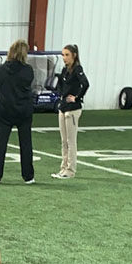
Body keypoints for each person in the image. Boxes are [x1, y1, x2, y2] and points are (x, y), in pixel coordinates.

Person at [0, 39, 35, 184]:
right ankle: (28, 176)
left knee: (1, 143)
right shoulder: (28, 70)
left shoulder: (0, 70)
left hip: (5, 110)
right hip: (23, 111)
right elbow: (28, 84)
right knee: (26, 144)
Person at [52, 44, 89, 180]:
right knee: (64, 141)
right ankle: (63, 167)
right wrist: (61, 95)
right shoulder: (64, 70)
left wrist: (77, 97)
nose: (64, 58)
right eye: (63, 55)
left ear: (74, 55)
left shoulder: (77, 69)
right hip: (63, 107)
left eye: (67, 55)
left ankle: (71, 169)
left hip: (73, 109)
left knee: (70, 140)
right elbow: (60, 84)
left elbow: (85, 84)